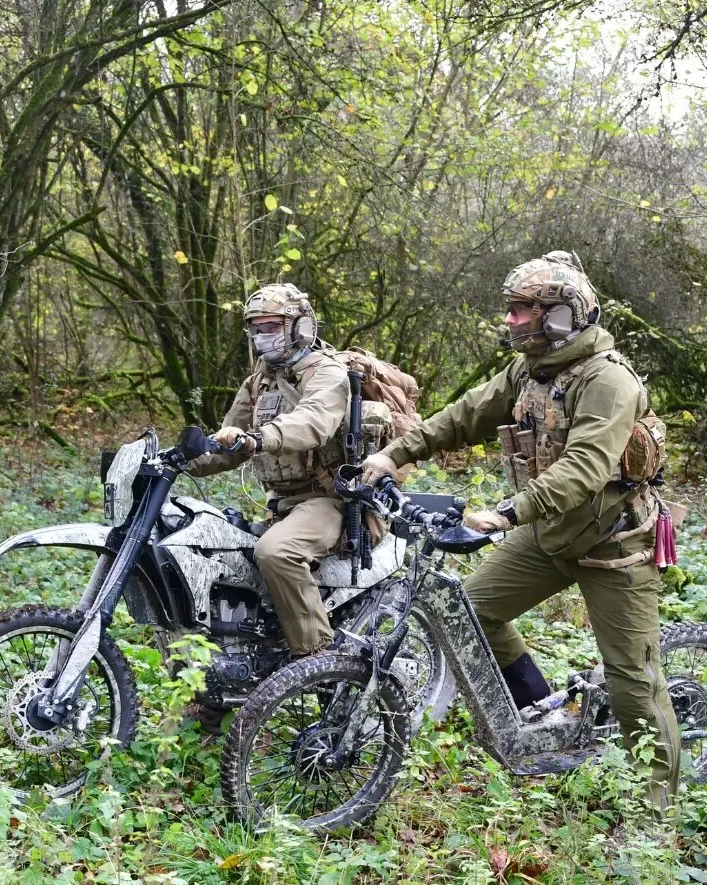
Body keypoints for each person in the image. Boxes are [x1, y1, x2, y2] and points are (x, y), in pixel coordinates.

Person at [361, 251, 681, 809]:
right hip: (552, 533)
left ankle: (659, 803)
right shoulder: (531, 370)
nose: (510, 320)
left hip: (613, 543)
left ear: (560, 316)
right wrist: (395, 453)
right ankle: (538, 708)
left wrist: (508, 512)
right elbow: (465, 414)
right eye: (510, 309)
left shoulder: (607, 381)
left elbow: (583, 468)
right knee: (470, 613)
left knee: (633, 678)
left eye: (521, 310)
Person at [190, 282, 350, 664]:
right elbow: (227, 443)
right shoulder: (258, 382)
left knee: (276, 552)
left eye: (273, 327)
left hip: (332, 500)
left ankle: (319, 662)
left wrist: (260, 438)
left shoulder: (327, 373)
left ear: (300, 326)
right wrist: (182, 457)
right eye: (257, 328)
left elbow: (313, 421)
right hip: (283, 505)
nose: (263, 336)